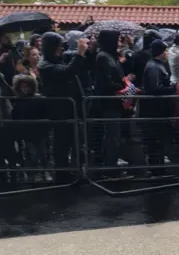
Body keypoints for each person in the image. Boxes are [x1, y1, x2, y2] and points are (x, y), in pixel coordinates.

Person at [38, 32, 88, 180]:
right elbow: (67, 72)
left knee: (74, 142)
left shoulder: (58, 59)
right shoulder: (45, 65)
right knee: (62, 143)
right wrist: (79, 53)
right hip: (59, 110)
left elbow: (73, 60)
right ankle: (61, 173)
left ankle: (72, 170)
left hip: (70, 109)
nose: (62, 49)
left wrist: (87, 49)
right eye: (59, 46)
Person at [141, 40, 177, 175]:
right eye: (165, 51)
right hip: (155, 110)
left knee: (158, 139)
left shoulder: (157, 65)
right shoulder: (153, 67)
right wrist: (171, 88)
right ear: (160, 52)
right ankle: (156, 168)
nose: (167, 53)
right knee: (155, 139)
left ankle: (159, 166)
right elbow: (154, 88)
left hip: (159, 109)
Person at [93, 30, 128, 170]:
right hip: (109, 102)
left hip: (115, 100)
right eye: (117, 40)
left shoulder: (110, 55)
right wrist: (119, 85)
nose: (119, 43)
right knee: (112, 135)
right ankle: (111, 166)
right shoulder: (103, 57)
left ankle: (109, 162)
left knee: (112, 134)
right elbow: (105, 81)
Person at [11, 74, 50, 181]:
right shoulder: (17, 100)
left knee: (43, 153)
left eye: (27, 86)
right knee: (30, 154)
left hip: (39, 131)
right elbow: (15, 116)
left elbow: (45, 114)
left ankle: (44, 171)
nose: (25, 89)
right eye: (22, 87)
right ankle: (34, 173)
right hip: (26, 132)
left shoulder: (40, 99)